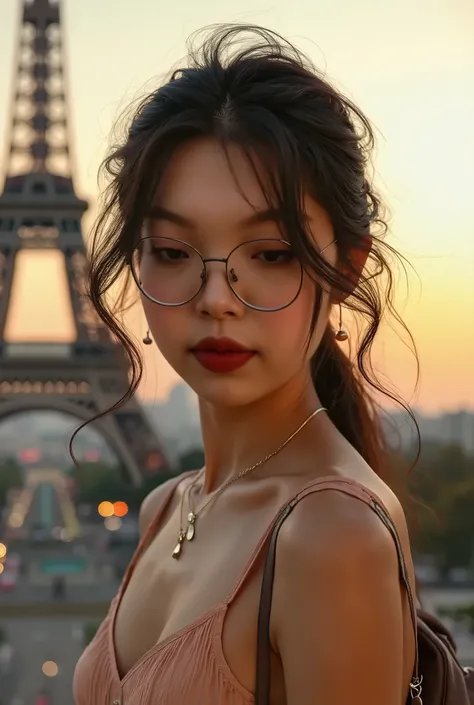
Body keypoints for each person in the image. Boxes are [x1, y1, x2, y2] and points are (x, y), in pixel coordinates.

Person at [73, 24, 420, 705]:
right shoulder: (164, 507)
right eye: (172, 251)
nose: (215, 300)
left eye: (269, 254)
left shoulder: (330, 537)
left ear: (345, 269)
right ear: (135, 259)